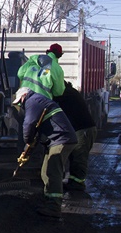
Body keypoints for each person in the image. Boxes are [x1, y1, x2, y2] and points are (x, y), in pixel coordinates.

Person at [13, 86, 78, 218]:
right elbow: (37, 131)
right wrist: (28, 150)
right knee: (45, 172)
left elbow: (29, 124)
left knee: (53, 172)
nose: (21, 105)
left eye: (20, 102)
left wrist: (27, 141)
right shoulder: (39, 102)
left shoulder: (32, 101)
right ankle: (48, 201)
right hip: (56, 140)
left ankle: (54, 207)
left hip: (62, 139)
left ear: (24, 96)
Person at [54, 81, 97, 192]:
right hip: (81, 129)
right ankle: (73, 182)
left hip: (83, 130)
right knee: (74, 157)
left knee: (79, 157)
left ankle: (78, 185)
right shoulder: (70, 92)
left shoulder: (66, 94)